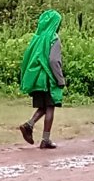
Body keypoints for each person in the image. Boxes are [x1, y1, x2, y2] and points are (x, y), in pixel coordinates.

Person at [19, 9, 65, 149]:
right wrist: (60, 79)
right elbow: (53, 61)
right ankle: (45, 139)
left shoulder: (37, 38)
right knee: (50, 107)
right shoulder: (53, 39)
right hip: (47, 79)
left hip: (37, 79)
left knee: (43, 106)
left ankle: (29, 125)